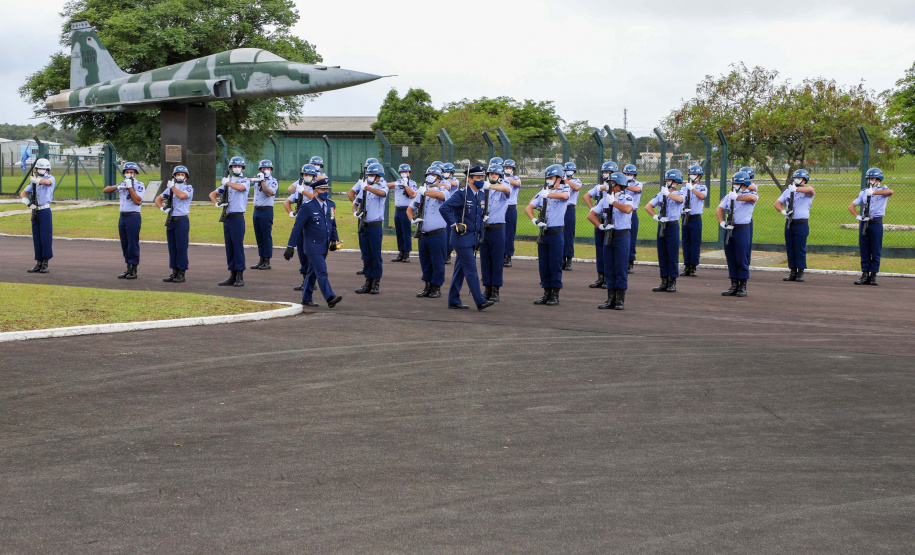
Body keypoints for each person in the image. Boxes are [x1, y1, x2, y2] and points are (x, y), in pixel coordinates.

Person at [439, 165, 496, 311]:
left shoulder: (481, 195)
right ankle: (479, 300)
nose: (481, 180)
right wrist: (454, 224)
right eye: (477, 178)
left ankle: (453, 299)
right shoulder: (461, 194)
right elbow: (444, 208)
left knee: (460, 270)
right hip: (462, 238)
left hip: (473, 237)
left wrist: (481, 236)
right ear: (469, 179)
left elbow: (480, 217)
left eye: (482, 177)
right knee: (471, 269)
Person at [283, 177, 343, 308]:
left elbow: (332, 225)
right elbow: (297, 228)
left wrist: (335, 241)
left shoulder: (331, 205)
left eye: (327, 190)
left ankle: (306, 298)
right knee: (321, 271)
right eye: (323, 190)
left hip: (324, 245)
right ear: (315, 192)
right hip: (312, 246)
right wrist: (290, 246)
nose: (325, 192)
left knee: (312, 273)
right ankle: (330, 297)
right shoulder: (307, 207)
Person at [586, 172, 634, 310]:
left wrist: (613, 202)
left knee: (620, 268)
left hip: (622, 235)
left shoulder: (627, 197)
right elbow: (591, 215)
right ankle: (610, 299)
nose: (608, 185)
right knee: (609, 267)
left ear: (618, 185)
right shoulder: (604, 200)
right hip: (608, 235)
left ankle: (620, 300)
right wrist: (600, 226)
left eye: (611, 183)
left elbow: (627, 209)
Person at [524, 164, 571, 306]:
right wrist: (534, 220)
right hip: (544, 233)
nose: (549, 180)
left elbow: (565, 196)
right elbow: (529, 207)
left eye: (552, 177)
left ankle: (555, 294)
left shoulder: (564, 188)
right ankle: (546, 293)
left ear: (559, 179)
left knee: (555, 264)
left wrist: (548, 194)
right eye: (548, 177)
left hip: (556, 233)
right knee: (543, 265)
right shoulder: (543, 192)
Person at [408, 166, 452, 299]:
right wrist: (413, 220)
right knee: (425, 261)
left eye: (434, 175)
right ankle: (427, 286)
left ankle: (436, 287)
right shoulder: (422, 193)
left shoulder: (444, 192)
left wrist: (425, 192)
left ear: (439, 179)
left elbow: (439, 196)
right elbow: (409, 209)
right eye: (429, 174)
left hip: (438, 234)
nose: (430, 177)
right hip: (423, 234)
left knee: (437, 262)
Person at [209, 156, 250, 287]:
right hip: (227, 217)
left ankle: (240, 275)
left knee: (237, 247)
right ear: (231, 168)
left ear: (243, 168)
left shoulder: (244, 181)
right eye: (234, 166)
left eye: (239, 166)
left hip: (238, 217)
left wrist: (227, 183)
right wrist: (216, 203)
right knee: (230, 247)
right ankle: (232, 274)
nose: (236, 168)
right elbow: (212, 194)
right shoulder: (227, 182)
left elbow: (240, 188)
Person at [848, 167, 893, 286]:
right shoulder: (864, 192)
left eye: (872, 178)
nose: (870, 180)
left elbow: (890, 192)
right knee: (864, 249)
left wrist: (873, 193)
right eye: (869, 178)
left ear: (878, 179)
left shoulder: (883, 190)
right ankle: (864, 274)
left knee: (875, 249)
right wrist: (858, 216)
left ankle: (873, 275)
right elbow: (851, 206)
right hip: (865, 222)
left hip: (876, 223)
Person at [717, 171, 759, 297]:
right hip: (730, 228)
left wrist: (737, 197)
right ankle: (734, 284)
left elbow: (752, 198)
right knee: (730, 257)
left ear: (744, 184)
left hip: (742, 229)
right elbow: (719, 209)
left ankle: (742, 285)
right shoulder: (730, 195)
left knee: (741, 257)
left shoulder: (750, 194)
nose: (735, 185)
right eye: (734, 183)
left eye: (737, 183)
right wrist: (722, 222)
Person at [348, 162, 387, 294]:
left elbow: (382, 193)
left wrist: (366, 187)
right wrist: (356, 212)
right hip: (364, 224)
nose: (369, 176)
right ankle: (368, 282)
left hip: (375, 226)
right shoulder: (365, 188)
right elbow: (356, 202)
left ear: (378, 176)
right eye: (369, 174)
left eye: (372, 175)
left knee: (375, 256)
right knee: (366, 255)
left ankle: (376, 283)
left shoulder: (382, 186)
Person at [644, 169, 685, 292]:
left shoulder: (680, 192)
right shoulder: (661, 194)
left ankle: (672, 281)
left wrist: (667, 194)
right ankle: (664, 280)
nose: (667, 181)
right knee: (662, 254)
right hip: (662, 225)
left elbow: (680, 200)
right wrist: (656, 217)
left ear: (675, 181)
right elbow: (648, 206)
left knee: (672, 254)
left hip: (672, 226)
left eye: (669, 180)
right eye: (666, 179)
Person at [103, 162, 145, 279]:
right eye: (127, 172)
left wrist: (130, 187)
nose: (129, 174)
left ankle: (134, 269)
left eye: (131, 172)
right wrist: (119, 187)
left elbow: (137, 200)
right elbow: (106, 190)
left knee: (132, 243)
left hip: (133, 216)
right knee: (125, 243)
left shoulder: (139, 185)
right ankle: (128, 267)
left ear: (136, 174)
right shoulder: (122, 184)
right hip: (123, 217)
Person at [478, 163, 513, 301]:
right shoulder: (483, 189)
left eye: (496, 174)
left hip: (497, 228)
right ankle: (487, 287)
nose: (493, 176)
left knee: (497, 260)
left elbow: (506, 189)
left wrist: (489, 186)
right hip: (484, 228)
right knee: (485, 259)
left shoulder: (502, 186)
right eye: (491, 174)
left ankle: (495, 290)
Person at [774, 169, 815, 282]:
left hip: (801, 223)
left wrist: (796, 189)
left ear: (804, 180)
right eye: (795, 178)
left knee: (800, 247)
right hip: (790, 222)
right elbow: (777, 203)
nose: (796, 180)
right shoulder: (788, 191)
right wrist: (783, 211)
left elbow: (811, 190)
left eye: (799, 178)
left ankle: (800, 272)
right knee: (790, 247)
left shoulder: (807, 192)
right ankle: (792, 271)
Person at [583, 161, 619, 289]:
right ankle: (601, 277)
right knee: (599, 250)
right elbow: (586, 196)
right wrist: (592, 209)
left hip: (612, 220)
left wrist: (606, 188)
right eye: (604, 172)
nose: (605, 174)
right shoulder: (599, 186)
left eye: (608, 172)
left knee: (609, 250)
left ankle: (609, 278)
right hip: (600, 219)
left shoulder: (618, 187)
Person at [155, 165, 193, 283]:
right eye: (178, 174)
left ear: (186, 177)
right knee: (172, 247)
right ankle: (174, 271)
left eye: (182, 174)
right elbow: (158, 199)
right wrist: (162, 208)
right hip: (171, 220)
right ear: (174, 176)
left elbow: (182, 196)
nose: (180, 176)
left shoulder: (188, 188)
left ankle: (181, 272)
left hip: (182, 220)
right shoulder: (170, 189)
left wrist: (172, 187)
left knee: (181, 247)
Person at [284, 164, 319, 290]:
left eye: (309, 174)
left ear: (314, 176)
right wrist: (291, 212)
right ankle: (305, 280)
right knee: (302, 254)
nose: (307, 176)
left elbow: (316, 199)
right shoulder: (300, 188)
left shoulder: (317, 188)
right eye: (305, 174)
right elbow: (287, 202)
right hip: (301, 225)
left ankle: (312, 282)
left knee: (311, 254)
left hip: (313, 226)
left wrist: (302, 191)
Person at [20, 158, 55, 273]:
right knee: (37, 237)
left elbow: (47, 183)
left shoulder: (50, 178)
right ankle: (38, 262)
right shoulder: (34, 181)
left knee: (45, 237)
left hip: (45, 210)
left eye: (43, 168)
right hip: (35, 210)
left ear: (47, 169)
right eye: (39, 168)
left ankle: (45, 263)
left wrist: (36, 180)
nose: (41, 170)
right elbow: (23, 193)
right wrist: (27, 202)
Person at [249, 159, 278, 270]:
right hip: (256, 210)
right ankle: (261, 258)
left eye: (267, 168)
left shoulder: (273, 181)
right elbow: (246, 182)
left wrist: (263, 181)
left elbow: (268, 193)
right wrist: (255, 179)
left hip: (266, 211)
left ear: (271, 170)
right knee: (259, 236)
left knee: (266, 235)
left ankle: (267, 260)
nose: (265, 170)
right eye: (263, 168)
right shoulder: (258, 179)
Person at [680, 164, 708, 277]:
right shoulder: (684, 188)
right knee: (685, 242)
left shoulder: (702, 187)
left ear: (699, 176)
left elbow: (702, 196)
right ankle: (686, 265)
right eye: (691, 174)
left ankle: (693, 266)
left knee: (695, 242)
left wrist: (692, 189)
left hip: (695, 218)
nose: (692, 176)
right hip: (685, 217)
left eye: (695, 174)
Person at [389, 163, 417, 263]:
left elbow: (412, 194)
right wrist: (396, 184)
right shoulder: (397, 182)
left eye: (406, 172)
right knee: (399, 232)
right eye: (402, 172)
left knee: (406, 232)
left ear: (409, 173)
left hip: (406, 210)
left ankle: (406, 253)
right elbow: (386, 186)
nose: (404, 173)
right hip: (398, 210)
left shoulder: (412, 183)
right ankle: (400, 252)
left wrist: (406, 185)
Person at [561, 161, 582, 271]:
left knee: (569, 234)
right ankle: (561, 259)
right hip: (560, 208)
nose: (569, 172)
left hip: (570, 209)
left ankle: (569, 259)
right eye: (567, 170)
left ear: (574, 172)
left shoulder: (576, 181)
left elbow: (576, 188)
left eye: (571, 170)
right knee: (560, 233)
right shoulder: (561, 182)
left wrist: (566, 181)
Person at [623, 164, 642, 273]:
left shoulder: (638, 183)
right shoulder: (620, 183)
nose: (629, 175)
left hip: (632, 213)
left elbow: (637, 189)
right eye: (627, 173)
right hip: (622, 213)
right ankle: (622, 261)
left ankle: (630, 262)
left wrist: (624, 186)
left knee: (632, 238)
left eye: (631, 174)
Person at [502, 158, 522, 267]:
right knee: (500, 232)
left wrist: (504, 179)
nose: (508, 169)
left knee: (510, 233)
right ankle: (500, 254)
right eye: (506, 167)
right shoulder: (500, 178)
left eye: (510, 168)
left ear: (513, 169)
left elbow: (517, 183)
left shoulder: (515, 178)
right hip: (501, 208)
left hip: (511, 208)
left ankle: (508, 255)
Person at [440, 162, 459, 265]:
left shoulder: (454, 180)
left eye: (448, 172)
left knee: (449, 231)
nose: (446, 173)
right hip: (442, 208)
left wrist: (443, 181)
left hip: (451, 209)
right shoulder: (441, 180)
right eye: (445, 172)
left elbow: (453, 185)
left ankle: (448, 253)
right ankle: (442, 252)